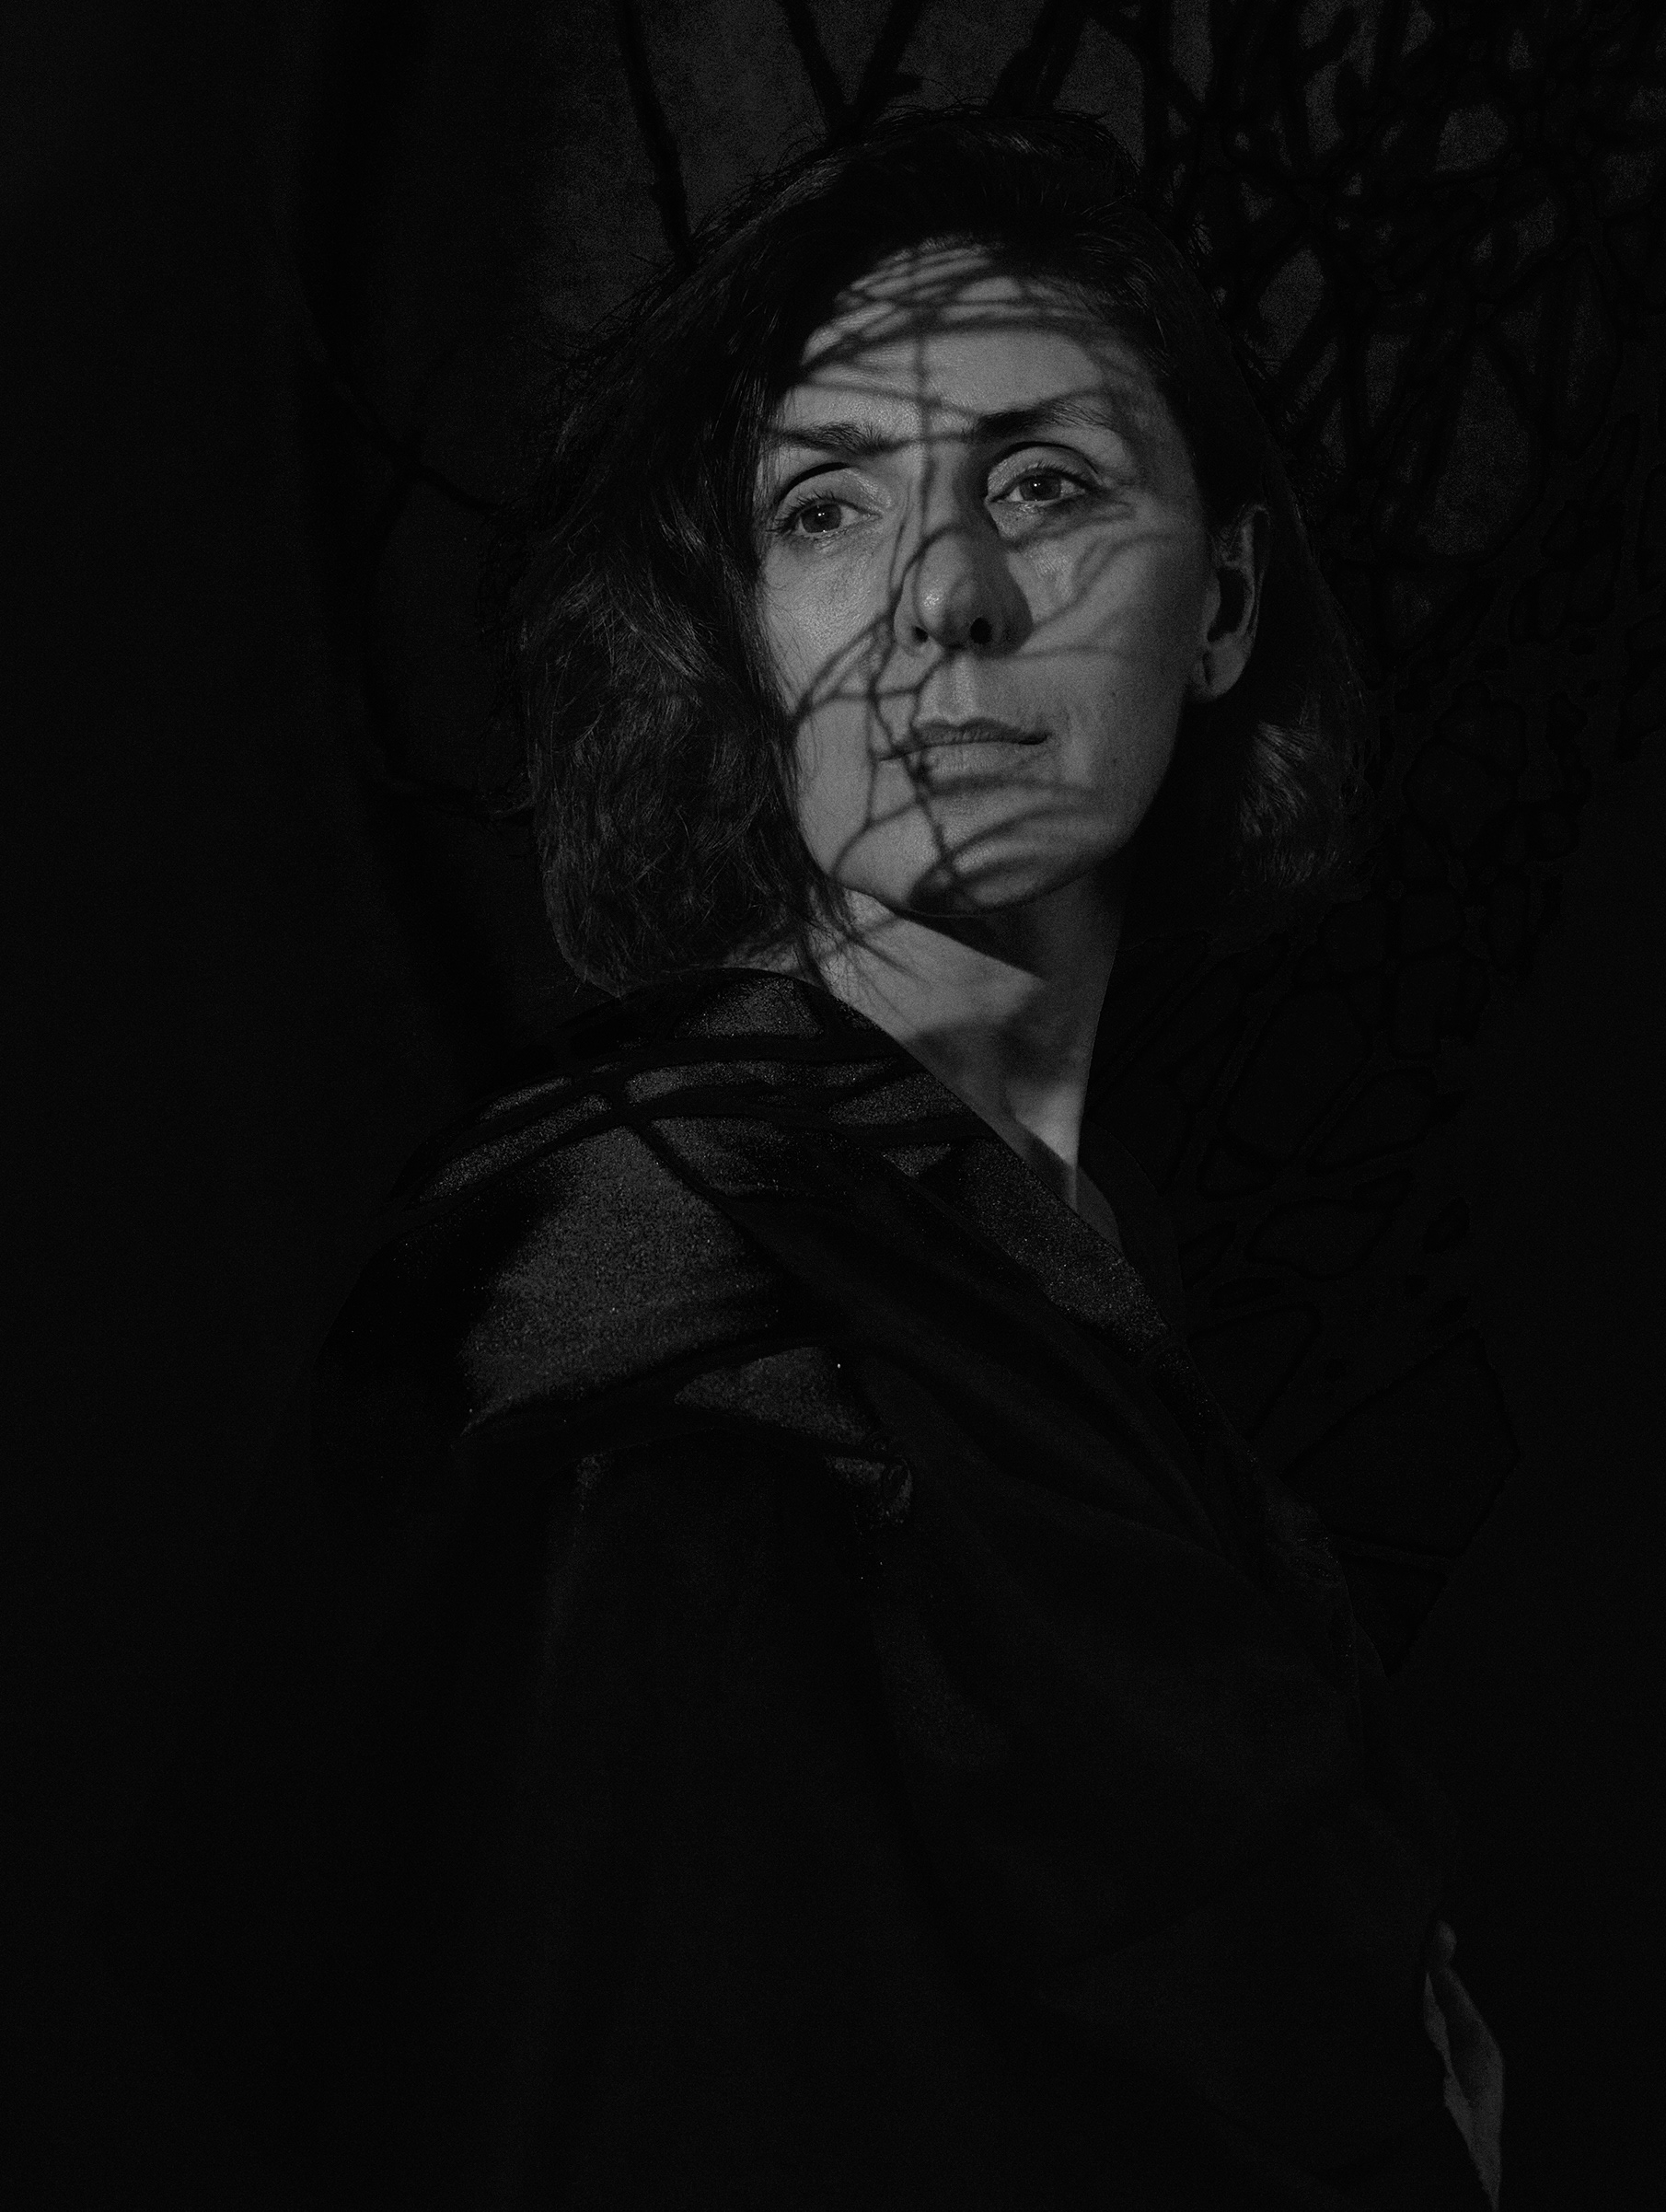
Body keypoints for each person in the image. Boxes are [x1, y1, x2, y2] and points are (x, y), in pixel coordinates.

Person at [101, 109, 1502, 2208]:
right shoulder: (637, 1286)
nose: (946, 595)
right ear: (743, 630)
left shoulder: (1074, 1253)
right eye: (829, 505)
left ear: (1222, 601)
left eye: (1045, 483)